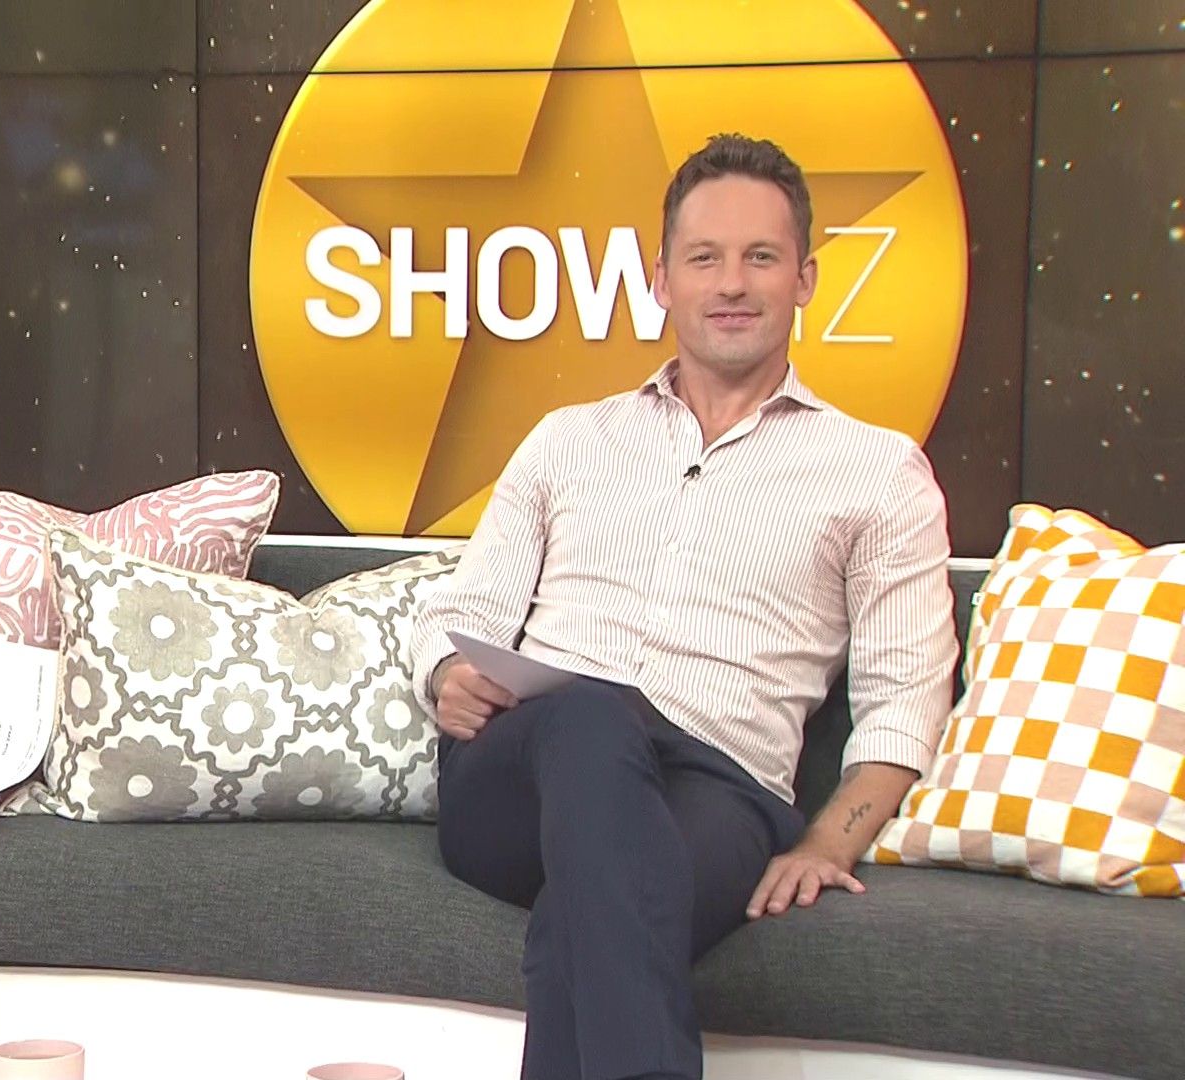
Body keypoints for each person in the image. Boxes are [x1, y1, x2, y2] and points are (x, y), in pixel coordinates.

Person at [409, 134, 957, 1080]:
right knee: (590, 714)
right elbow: (463, 610)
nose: (732, 283)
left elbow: (905, 696)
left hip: (719, 789)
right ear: (661, 280)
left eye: (761, 257)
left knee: (587, 915)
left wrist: (828, 840)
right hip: (525, 776)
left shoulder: (878, 472)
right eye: (705, 258)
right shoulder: (568, 441)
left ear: (805, 280)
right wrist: (448, 670)